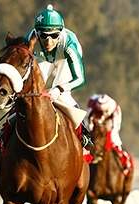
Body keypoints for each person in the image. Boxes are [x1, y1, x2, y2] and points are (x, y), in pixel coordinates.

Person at [25, 4, 93, 150]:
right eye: (43, 35)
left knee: (61, 96)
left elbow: (80, 78)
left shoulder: (69, 44)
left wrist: (59, 89)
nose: (48, 42)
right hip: (44, 58)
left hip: (64, 59)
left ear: (60, 33)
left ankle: (84, 132)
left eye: (54, 35)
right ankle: (7, 127)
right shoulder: (31, 41)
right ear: (37, 33)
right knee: (30, 90)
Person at [86, 93, 131, 169]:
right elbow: (88, 123)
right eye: (101, 111)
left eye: (105, 111)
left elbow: (116, 128)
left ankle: (125, 159)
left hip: (110, 120)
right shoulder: (92, 106)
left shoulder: (115, 109)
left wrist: (109, 136)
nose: (103, 113)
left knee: (115, 139)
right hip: (97, 118)